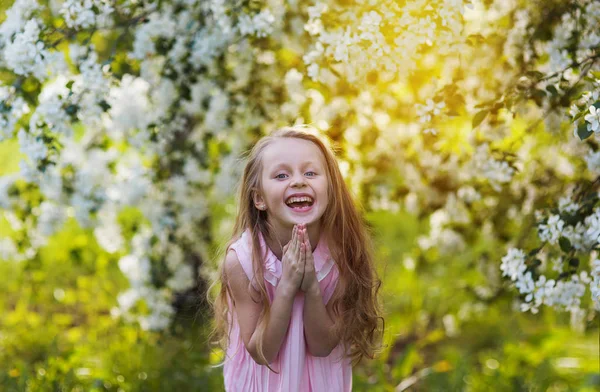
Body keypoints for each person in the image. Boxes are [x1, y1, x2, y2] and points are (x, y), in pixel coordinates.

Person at [210, 125, 384, 391]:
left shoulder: (340, 254)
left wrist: (312, 287)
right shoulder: (243, 261)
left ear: (330, 188)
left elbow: (322, 345)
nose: (299, 181)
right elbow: (262, 352)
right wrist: (287, 288)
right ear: (259, 198)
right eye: (281, 175)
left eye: (311, 172)